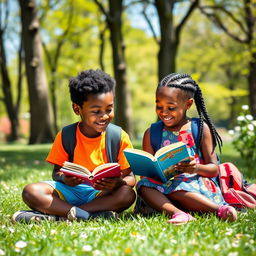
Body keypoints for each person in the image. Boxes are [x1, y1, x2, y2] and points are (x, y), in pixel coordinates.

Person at [12, 69, 136, 223]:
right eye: (96, 111)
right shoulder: (66, 135)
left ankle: (63, 215)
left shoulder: (118, 137)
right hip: (70, 191)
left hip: (101, 195)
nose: (104, 116)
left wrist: (118, 183)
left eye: (109, 109)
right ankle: (89, 216)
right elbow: (56, 173)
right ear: (77, 109)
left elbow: (131, 178)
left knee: (127, 194)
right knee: (31, 191)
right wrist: (65, 179)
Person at [136, 73, 237, 225]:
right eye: (159, 106)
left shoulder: (200, 129)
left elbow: (214, 169)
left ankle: (219, 210)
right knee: (143, 186)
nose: (164, 112)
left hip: (193, 186)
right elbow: (147, 173)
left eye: (171, 107)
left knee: (178, 185)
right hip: (163, 187)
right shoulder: (152, 133)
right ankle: (179, 214)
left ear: (188, 104)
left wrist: (195, 168)